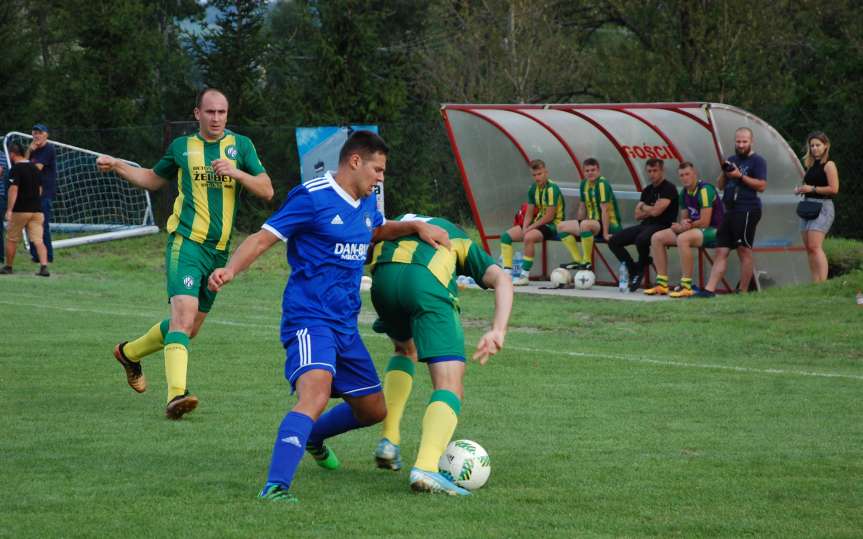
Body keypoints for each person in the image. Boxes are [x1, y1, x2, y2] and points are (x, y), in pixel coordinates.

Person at [207, 131, 450, 503]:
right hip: (309, 317)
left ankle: (315, 436)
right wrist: (230, 271)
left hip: (344, 325)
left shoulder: (367, 202)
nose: (381, 177)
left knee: (373, 410)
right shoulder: (312, 196)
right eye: (378, 169)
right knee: (314, 394)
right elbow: (262, 238)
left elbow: (376, 230)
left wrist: (414, 226)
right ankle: (276, 487)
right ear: (355, 161)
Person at [96, 88, 274, 419]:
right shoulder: (182, 148)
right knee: (182, 317)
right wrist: (118, 165)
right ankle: (177, 396)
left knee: (189, 329)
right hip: (186, 243)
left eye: (222, 112)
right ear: (197, 114)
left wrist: (236, 172)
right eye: (210, 112)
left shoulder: (241, 146)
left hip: (219, 252)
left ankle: (129, 353)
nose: (217, 118)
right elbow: (152, 179)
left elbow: (267, 190)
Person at [370, 214, 513, 496]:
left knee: (404, 349)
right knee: (449, 384)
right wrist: (498, 329)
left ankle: (389, 437)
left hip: (383, 281)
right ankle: (425, 468)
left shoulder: (398, 222)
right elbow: (502, 280)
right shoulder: (458, 237)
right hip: (425, 281)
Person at [696, 127, 767, 298]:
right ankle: (709, 290)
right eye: (738, 141)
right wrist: (725, 171)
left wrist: (739, 176)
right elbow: (720, 186)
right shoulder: (732, 159)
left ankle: (742, 291)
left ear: (751, 142)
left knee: (744, 249)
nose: (741, 145)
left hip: (748, 209)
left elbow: (762, 186)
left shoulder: (758, 161)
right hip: (730, 210)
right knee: (721, 250)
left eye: (744, 141)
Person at [498, 160, 583, 285]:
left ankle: (524, 275)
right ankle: (506, 274)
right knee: (505, 237)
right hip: (538, 222)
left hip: (553, 225)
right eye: (534, 175)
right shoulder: (533, 188)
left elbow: (549, 217)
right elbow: (529, 212)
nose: (537, 177)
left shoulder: (552, 189)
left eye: (539, 174)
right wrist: (525, 226)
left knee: (528, 237)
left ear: (546, 172)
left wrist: (530, 228)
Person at [645, 162, 723, 297]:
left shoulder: (704, 190)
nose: (685, 177)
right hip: (696, 229)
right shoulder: (684, 193)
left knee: (682, 239)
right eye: (681, 175)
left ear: (694, 174)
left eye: (687, 174)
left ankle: (686, 285)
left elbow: (705, 222)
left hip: (715, 230)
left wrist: (686, 227)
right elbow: (685, 219)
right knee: (656, 237)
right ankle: (662, 284)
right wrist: (680, 225)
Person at [606, 158, 677, 291]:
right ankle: (634, 269)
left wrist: (645, 207)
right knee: (614, 241)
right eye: (649, 171)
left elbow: (656, 212)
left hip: (663, 226)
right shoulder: (647, 190)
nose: (652, 174)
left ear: (662, 171)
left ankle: (641, 264)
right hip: (645, 225)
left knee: (641, 239)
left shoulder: (669, 188)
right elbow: (637, 215)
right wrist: (651, 209)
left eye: (655, 170)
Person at [557, 158, 621, 271]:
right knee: (561, 226)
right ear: (583, 172)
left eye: (593, 170)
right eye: (587, 170)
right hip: (593, 224)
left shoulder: (602, 184)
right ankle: (577, 260)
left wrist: (606, 234)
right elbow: (582, 207)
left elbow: (605, 210)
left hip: (609, 225)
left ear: (598, 170)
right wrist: (579, 224)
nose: (590, 173)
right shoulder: (584, 184)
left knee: (586, 225)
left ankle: (587, 262)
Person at [794, 131, 838, 282]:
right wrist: (801, 189)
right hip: (808, 206)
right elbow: (810, 186)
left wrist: (811, 189)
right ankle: (815, 283)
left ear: (825, 146)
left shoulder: (829, 165)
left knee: (815, 246)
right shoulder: (811, 165)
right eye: (812, 145)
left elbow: (834, 189)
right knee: (809, 248)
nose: (814, 148)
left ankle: (823, 283)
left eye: (818, 145)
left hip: (823, 206)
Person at [1, 143, 50, 276]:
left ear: (12, 154)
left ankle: (8, 267)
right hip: (37, 210)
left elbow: (13, 189)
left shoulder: (16, 169)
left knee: (11, 239)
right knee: (38, 240)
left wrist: (10, 209)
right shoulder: (35, 169)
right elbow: (40, 189)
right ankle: (44, 267)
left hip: (20, 210)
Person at [26, 123, 56, 264]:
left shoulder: (48, 149)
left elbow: (36, 168)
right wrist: (29, 150)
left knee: (42, 224)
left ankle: (47, 256)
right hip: (32, 193)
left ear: (46, 135)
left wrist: (25, 167)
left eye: (40, 132)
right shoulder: (33, 149)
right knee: (30, 223)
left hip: (44, 193)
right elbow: (23, 163)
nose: (36, 135)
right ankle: (35, 255)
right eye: (35, 132)